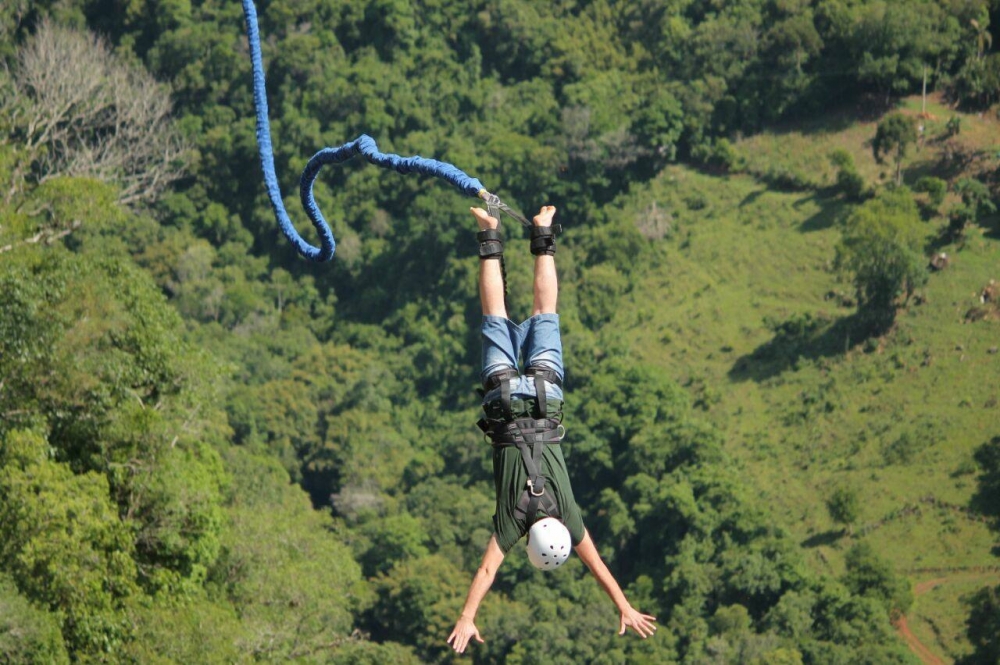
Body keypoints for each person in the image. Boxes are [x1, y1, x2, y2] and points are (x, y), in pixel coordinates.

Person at [447, 205, 657, 655]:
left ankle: (542, 232)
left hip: (545, 395)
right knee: (495, 315)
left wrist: (624, 604)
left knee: (545, 312)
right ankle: (489, 233)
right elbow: (486, 574)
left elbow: (597, 564)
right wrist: (467, 617)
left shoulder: (569, 515)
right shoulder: (511, 524)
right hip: (502, 398)